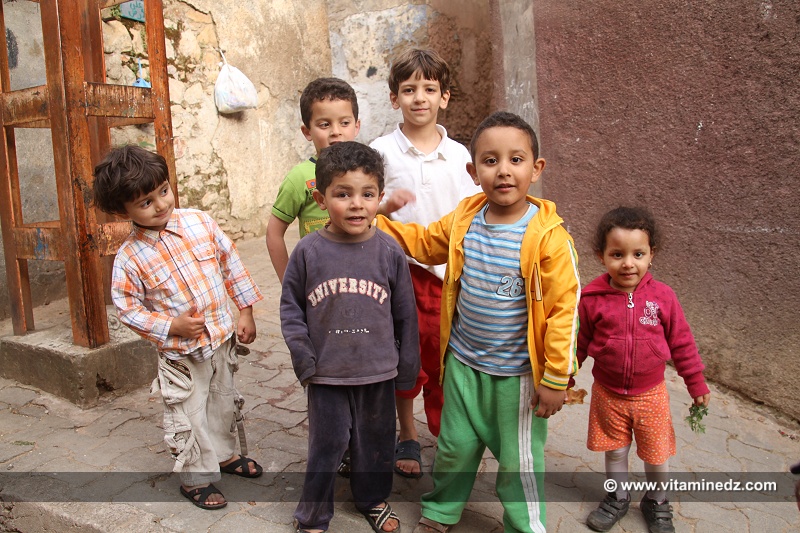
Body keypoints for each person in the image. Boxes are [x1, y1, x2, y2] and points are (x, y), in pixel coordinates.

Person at [376, 111, 581, 533]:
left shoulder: (549, 237)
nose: (503, 170)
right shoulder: (465, 219)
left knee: (520, 461)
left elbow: (565, 311)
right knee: (453, 449)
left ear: (536, 169)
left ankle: (526, 525)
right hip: (464, 367)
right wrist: (375, 223)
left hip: (519, 378)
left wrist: (556, 378)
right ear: (473, 172)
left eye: (516, 159)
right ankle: (439, 513)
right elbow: (424, 242)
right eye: (490, 161)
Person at [92, 145, 264, 510]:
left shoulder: (200, 222)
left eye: (164, 191)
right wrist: (171, 325)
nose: (160, 205)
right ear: (122, 210)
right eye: (145, 203)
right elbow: (127, 309)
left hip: (221, 339)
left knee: (222, 403)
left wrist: (245, 311)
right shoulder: (130, 257)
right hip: (182, 359)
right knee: (189, 413)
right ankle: (195, 477)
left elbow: (230, 262)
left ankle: (223, 455)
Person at [280, 141, 420, 533]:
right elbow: (290, 309)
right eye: (343, 194)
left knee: (376, 443)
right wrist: (303, 357)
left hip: (378, 371)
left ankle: (372, 499)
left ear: (379, 196)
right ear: (321, 198)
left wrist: (407, 368)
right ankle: (312, 515)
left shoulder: (389, 252)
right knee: (326, 446)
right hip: (326, 373)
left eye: (368, 194)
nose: (357, 204)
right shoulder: (308, 252)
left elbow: (405, 315)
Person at [369, 48, 481, 478]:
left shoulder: (460, 155)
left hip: (451, 276)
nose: (420, 98)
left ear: (445, 97)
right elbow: (363, 204)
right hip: (398, 276)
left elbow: (472, 212)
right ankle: (408, 434)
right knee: (404, 358)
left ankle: (448, 437)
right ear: (395, 98)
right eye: (409, 89)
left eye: (429, 89)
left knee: (447, 358)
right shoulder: (380, 150)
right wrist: (383, 204)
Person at [577, 206, 711, 533]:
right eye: (617, 254)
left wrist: (697, 385)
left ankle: (658, 500)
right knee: (615, 451)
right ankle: (617, 497)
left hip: (651, 395)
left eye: (638, 253)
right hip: (608, 394)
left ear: (652, 255)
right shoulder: (592, 299)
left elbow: (682, 343)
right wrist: (563, 378)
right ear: (601, 255)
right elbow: (578, 342)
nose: (628, 263)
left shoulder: (663, 298)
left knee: (656, 454)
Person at [267, 77, 361, 282]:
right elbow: (274, 233)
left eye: (344, 123)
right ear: (307, 131)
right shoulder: (299, 178)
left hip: (363, 279)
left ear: (357, 125)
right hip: (318, 283)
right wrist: (289, 282)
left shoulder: (366, 171)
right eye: (325, 124)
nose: (336, 131)